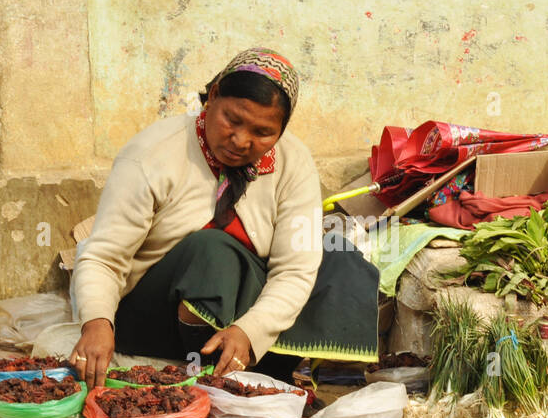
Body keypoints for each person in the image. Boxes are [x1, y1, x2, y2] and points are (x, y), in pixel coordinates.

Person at [68, 47, 380, 388]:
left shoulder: (294, 162)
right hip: (153, 317)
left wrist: (250, 330)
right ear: (212, 96)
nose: (241, 140)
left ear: (281, 130)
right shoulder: (151, 154)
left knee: (338, 255)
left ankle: (273, 370)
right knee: (212, 248)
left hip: (240, 318)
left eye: (262, 132)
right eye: (232, 119)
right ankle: (208, 373)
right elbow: (103, 256)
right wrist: (97, 323)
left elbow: (296, 267)